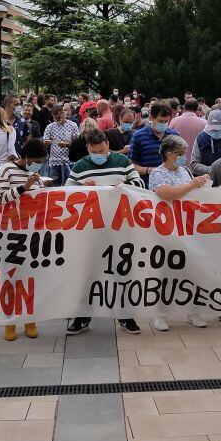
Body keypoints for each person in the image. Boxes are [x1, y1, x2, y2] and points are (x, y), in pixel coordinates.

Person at [65, 129, 145, 336]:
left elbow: (140, 184)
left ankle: (126, 315)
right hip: (91, 228)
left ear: (108, 145)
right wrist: (82, 188)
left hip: (120, 226)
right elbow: (66, 192)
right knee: (88, 272)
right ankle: (83, 315)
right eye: (94, 151)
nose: (98, 154)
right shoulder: (80, 166)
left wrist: (125, 185)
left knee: (122, 270)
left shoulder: (123, 161)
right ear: (88, 149)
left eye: (101, 150)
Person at [148, 134, 210, 332]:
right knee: (164, 273)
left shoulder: (185, 171)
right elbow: (165, 193)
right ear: (169, 154)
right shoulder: (157, 173)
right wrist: (192, 185)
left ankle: (193, 312)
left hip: (187, 229)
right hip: (165, 231)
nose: (184, 156)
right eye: (180, 153)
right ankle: (160, 315)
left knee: (191, 272)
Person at [0, 138, 47, 341]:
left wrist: (40, 186)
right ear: (27, 157)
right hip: (10, 233)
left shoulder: (34, 174)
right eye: (37, 159)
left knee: (29, 279)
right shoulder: (6, 170)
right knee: (10, 278)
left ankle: (29, 318)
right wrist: (24, 187)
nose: (39, 163)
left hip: (32, 234)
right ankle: (10, 322)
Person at [128, 102, 179, 180]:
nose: (164, 124)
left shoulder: (174, 135)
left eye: (166, 121)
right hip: (147, 183)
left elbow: (179, 160)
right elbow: (131, 165)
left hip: (170, 182)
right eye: (161, 121)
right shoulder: (138, 136)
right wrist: (149, 170)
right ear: (151, 118)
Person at [42, 104, 79, 186]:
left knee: (70, 185)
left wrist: (67, 145)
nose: (57, 120)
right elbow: (45, 141)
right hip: (55, 161)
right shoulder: (50, 127)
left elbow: (76, 143)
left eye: (59, 117)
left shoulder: (72, 125)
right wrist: (50, 142)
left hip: (69, 160)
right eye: (55, 118)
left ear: (63, 113)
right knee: (55, 186)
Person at [169, 98, 207, 163]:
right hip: (197, 162)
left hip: (177, 161)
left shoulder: (174, 121)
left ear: (184, 107)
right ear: (197, 108)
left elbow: (169, 140)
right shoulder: (204, 123)